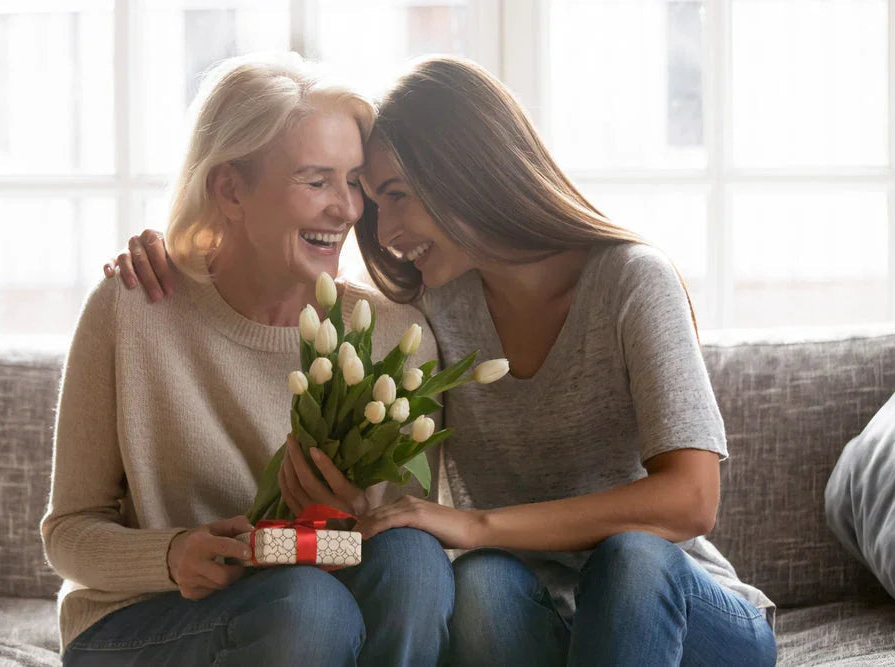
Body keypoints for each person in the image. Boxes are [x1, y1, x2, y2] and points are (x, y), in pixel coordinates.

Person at [113, 56, 777, 665]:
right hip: (539, 613)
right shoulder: (435, 311)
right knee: (480, 583)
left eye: (397, 195)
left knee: (630, 559)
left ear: (467, 169)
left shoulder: (632, 281)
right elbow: (292, 281)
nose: (386, 233)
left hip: (677, 613)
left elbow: (692, 500)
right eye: (375, 204)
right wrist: (180, 249)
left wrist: (478, 524)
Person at [42, 53, 453, 667]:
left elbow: (397, 537)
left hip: (309, 614)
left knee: (412, 560)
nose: (347, 209)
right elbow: (68, 532)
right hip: (143, 623)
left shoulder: (395, 335)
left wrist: (350, 523)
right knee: (309, 607)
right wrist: (171, 554)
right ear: (230, 190)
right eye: (316, 181)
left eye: (353, 182)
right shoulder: (133, 307)